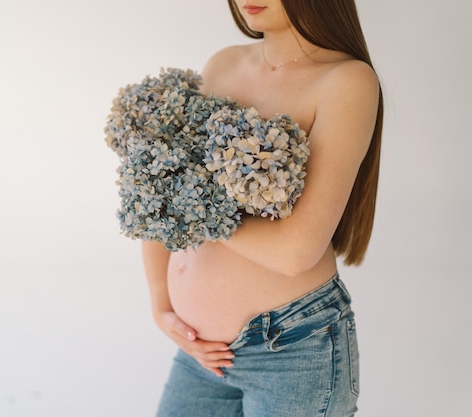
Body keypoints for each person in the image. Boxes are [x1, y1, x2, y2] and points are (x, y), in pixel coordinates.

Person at [142, 1, 383, 416]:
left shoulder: (347, 81)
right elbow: (155, 193)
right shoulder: (222, 64)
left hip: (292, 352)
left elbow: (295, 253)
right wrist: (161, 305)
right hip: (201, 354)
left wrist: (191, 207)